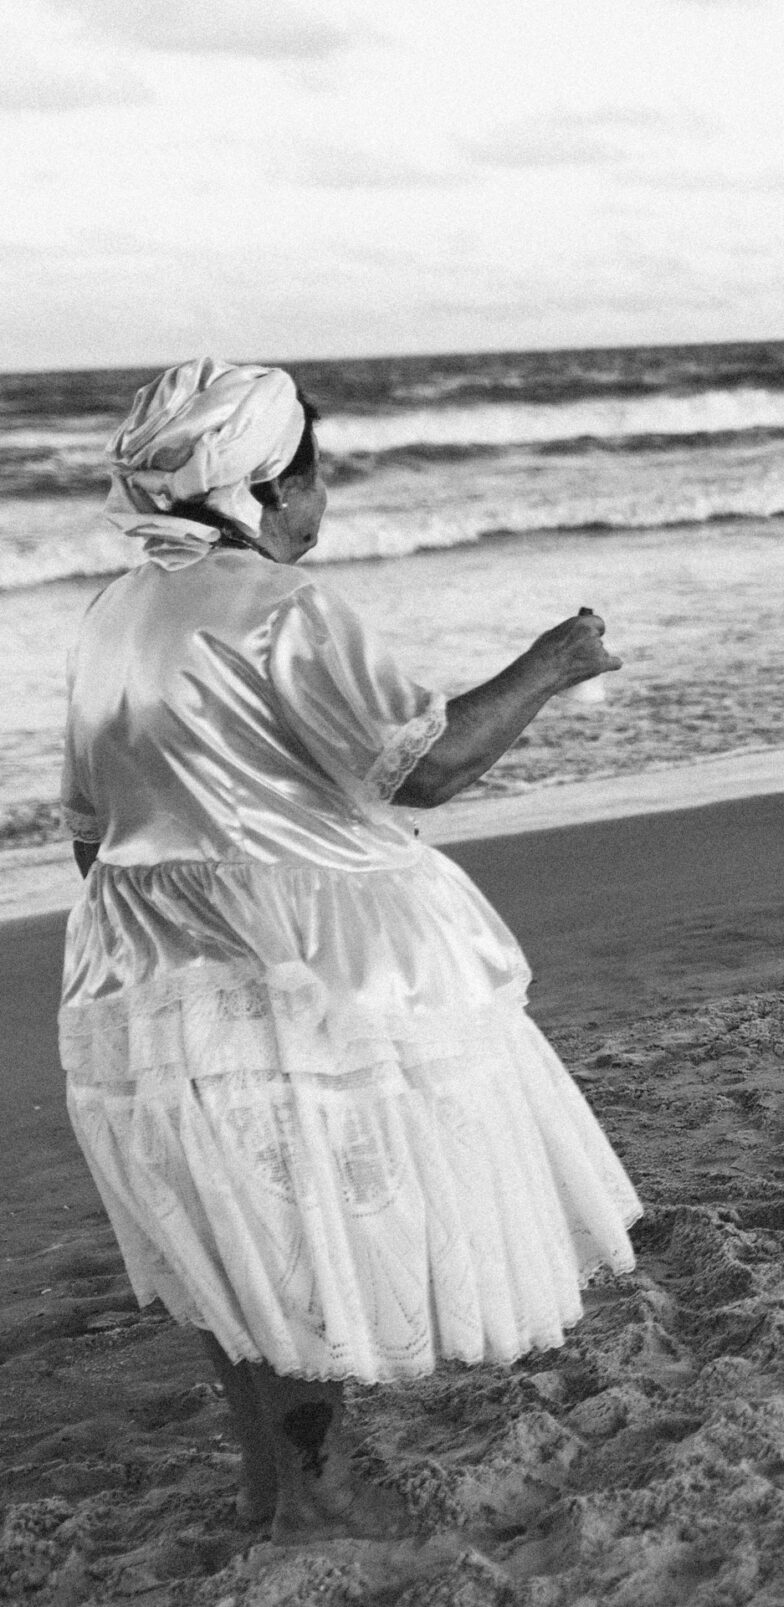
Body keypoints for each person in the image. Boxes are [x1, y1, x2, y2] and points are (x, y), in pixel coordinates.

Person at [58, 358, 644, 1541]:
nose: (323, 499)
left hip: (139, 962)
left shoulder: (113, 611)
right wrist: (549, 662)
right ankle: (320, 1484)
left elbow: (89, 827)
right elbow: (422, 765)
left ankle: (273, 1485)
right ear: (265, 488)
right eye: (315, 474)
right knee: (315, 1223)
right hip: (294, 967)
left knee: (235, 1233)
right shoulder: (280, 606)